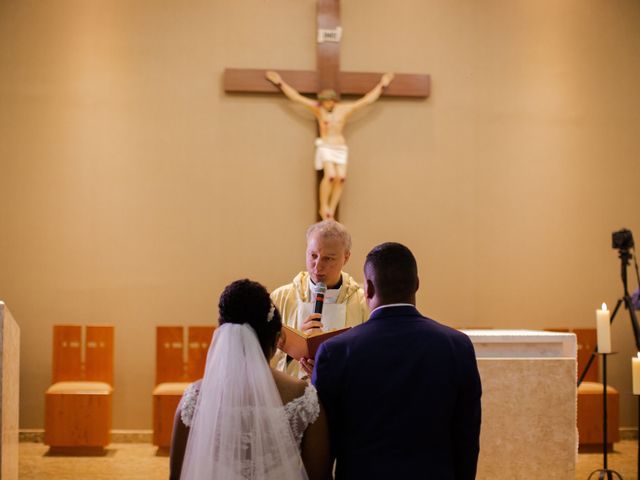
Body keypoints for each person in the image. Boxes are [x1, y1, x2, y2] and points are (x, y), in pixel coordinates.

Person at [312, 243, 482, 479]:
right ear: (417, 285)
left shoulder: (336, 352)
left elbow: (321, 444)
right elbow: (466, 436)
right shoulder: (457, 346)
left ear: (368, 288)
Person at [169, 279, 331, 480]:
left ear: (223, 334)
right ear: (278, 338)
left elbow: (177, 476)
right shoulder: (303, 398)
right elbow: (320, 476)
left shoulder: (194, 400)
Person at [265, 70, 394, 220]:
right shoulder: (318, 109)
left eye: (328, 101)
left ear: (333, 101)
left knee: (341, 177)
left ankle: (331, 210)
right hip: (326, 146)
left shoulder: (344, 110)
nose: (326, 104)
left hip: (340, 147)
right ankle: (323, 206)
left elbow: (366, 101)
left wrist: (382, 85)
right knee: (331, 175)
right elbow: (297, 98)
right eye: (324, 101)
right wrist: (280, 83)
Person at [271, 220, 368, 379]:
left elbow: (368, 358)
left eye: (328, 259)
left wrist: (332, 367)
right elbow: (265, 360)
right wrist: (296, 349)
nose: (317, 266)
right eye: (313, 255)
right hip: (293, 393)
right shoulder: (281, 298)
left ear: (346, 257)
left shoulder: (363, 303)